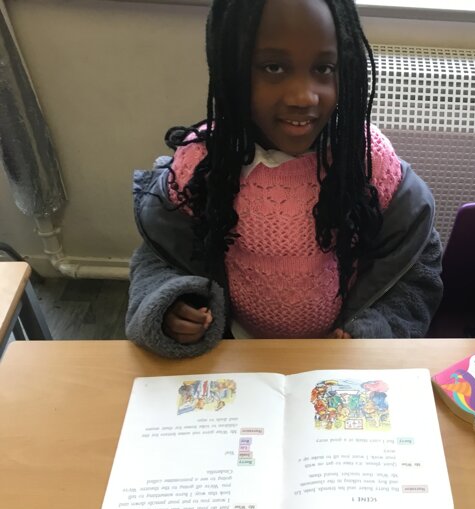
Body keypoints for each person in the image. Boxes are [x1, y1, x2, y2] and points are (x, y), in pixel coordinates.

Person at [126, 0, 443, 358]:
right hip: (234, 356)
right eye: (273, 67)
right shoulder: (204, 165)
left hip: (338, 361)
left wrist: (373, 329)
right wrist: (171, 304)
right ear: (231, 66)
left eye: (324, 68)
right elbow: (160, 256)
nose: (302, 96)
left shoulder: (367, 163)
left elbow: (415, 267)